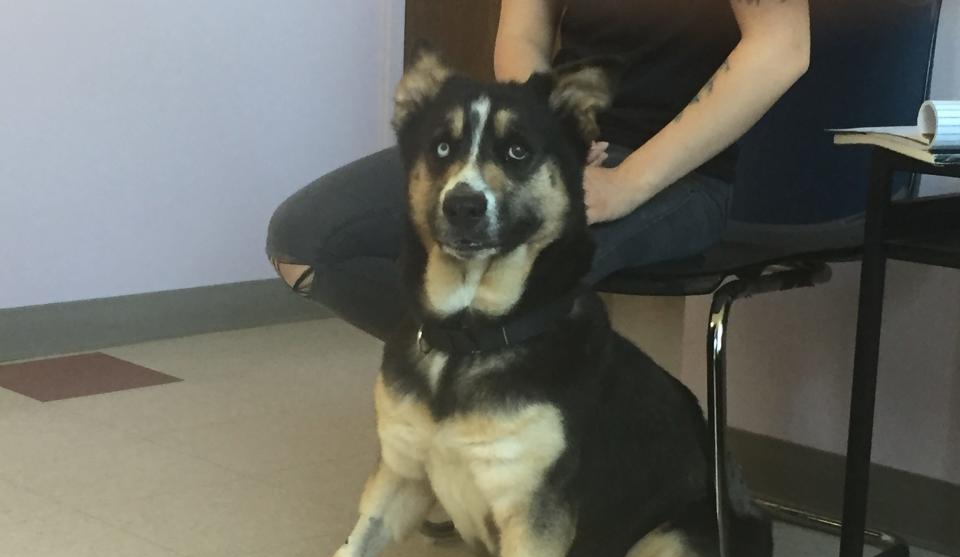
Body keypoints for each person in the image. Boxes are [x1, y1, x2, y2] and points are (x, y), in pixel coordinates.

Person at [267, 0, 810, 341]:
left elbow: (782, 49)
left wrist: (627, 183)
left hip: (677, 173)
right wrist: (551, 138)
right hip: (553, 146)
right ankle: (456, 378)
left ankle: (489, 422)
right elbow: (522, 34)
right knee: (301, 239)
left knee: (509, 295)